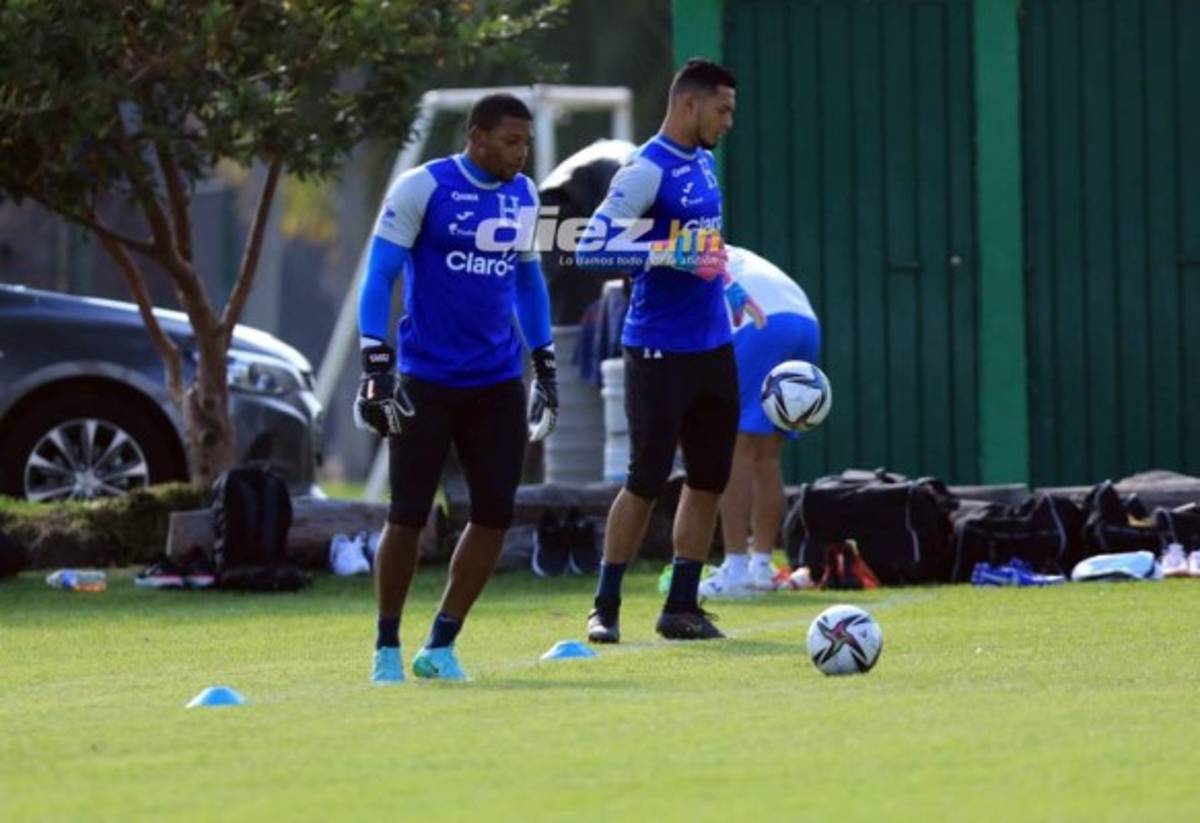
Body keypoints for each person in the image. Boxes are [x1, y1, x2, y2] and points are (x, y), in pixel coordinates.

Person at [355, 93, 557, 683]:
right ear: (477, 138)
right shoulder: (423, 187)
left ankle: (441, 644)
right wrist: (375, 362)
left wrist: (544, 364)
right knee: (407, 516)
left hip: (497, 384)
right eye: (511, 141)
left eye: (526, 143)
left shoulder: (525, 196)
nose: (521, 153)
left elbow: (529, 284)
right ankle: (386, 647)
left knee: (495, 515)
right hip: (425, 382)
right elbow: (380, 274)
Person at [574, 58, 762, 643]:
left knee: (708, 479)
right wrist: (664, 252)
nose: (729, 122)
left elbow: (706, 245)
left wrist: (730, 286)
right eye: (723, 110)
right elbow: (590, 249)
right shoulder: (644, 171)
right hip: (657, 350)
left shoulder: (704, 163)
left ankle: (681, 607)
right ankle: (605, 607)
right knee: (646, 479)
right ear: (690, 104)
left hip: (714, 346)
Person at [698, 245, 821, 599]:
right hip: (805, 324)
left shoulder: (678, 254)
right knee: (766, 455)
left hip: (760, 324)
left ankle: (736, 568)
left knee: (734, 448)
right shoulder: (730, 252)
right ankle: (762, 566)